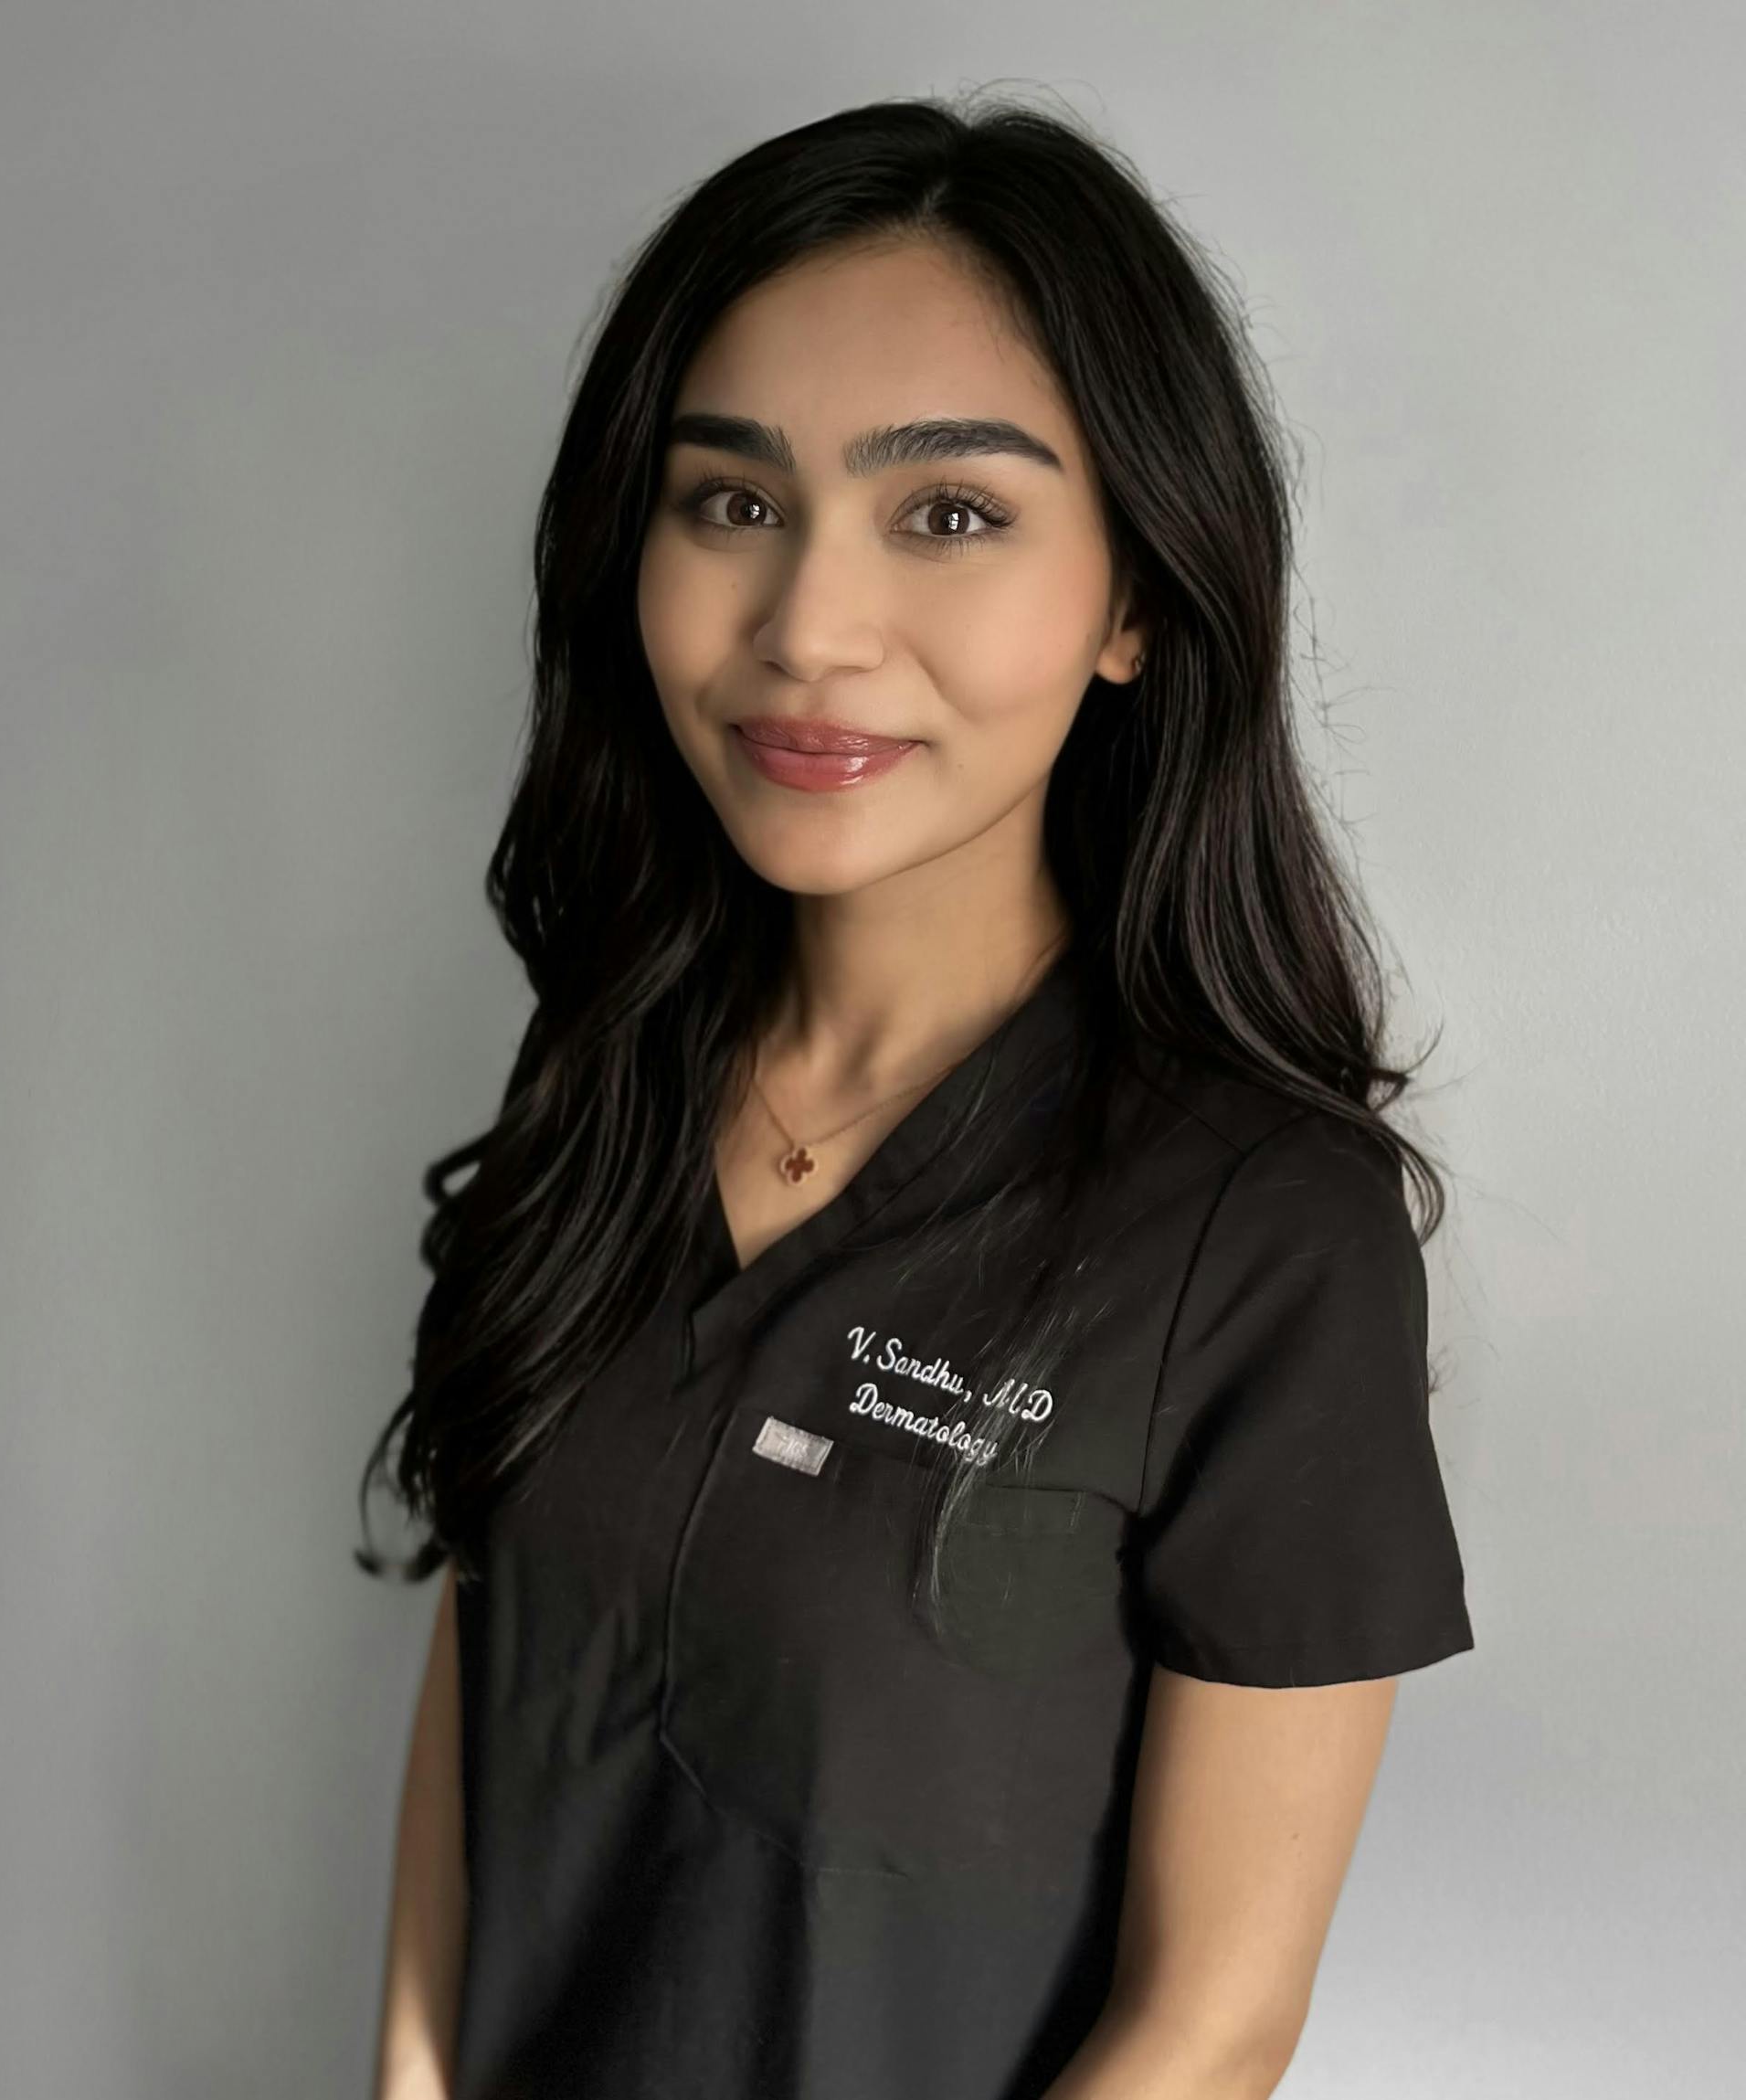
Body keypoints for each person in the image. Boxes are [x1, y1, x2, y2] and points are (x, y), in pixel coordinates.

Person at [359, 90, 1475, 2100]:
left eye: (948, 512)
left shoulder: (1263, 1237)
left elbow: (1209, 2030)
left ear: (1135, 597)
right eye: (731, 503)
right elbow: (483, 1687)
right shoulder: (600, 1084)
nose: (806, 629)